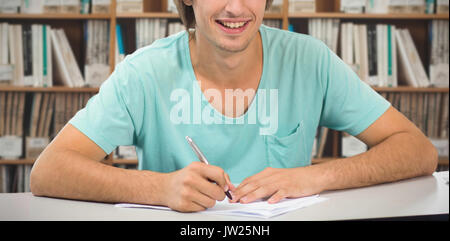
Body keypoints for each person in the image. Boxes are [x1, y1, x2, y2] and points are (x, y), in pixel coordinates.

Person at [30, 0, 438, 213]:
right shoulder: (145, 72)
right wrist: (160, 188)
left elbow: (417, 150)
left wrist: (313, 177)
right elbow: (48, 172)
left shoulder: (310, 60)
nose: (236, 9)